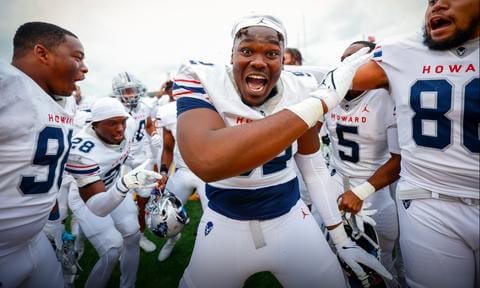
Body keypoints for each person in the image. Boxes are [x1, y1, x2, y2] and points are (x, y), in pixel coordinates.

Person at [175, 14, 390, 287]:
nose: (258, 61)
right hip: (224, 226)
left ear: (281, 60)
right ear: (231, 55)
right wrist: (320, 102)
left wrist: (340, 238)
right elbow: (207, 160)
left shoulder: (300, 86)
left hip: (291, 222)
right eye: (246, 50)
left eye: (272, 53)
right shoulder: (203, 78)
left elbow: (312, 167)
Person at [351, 1, 479, 287]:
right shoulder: (400, 53)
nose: (437, 5)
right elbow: (333, 82)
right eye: (430, 1)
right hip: (427, 199)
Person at [0, 22, 87, 287]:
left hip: (35, 241)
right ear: (42, 53)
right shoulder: (6, 85)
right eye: (77, 57)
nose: (84, 69)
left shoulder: (63, 101)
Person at [65, 97, 165, 287]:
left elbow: (127, 158)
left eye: (122, 121)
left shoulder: (130, 126)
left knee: (133, 235)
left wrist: (150, 172)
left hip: (115, 185)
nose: (120, 128)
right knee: (112, 249)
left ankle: (128, 284)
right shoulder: (80, 151)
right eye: (112, 123)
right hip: (87, 198)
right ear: (95, 124)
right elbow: (99, 207)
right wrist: (125, 183)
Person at [325, 40, 401, 280]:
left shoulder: (387, 97)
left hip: (374, 189)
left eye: (357, 62)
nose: (348, 67)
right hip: (335, 181)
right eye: (344, 61)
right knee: (334, 257)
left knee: (382, 263)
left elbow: (401, 160)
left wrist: (362, 191)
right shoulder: (329, 92)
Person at [154, 86, 208, 262]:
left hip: (209, 171)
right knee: (164, 214)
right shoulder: (168, 111)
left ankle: (209, 253)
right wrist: (163, 172)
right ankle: (172, 239)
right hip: (184, 170)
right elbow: (168, 148)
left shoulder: (214, 106)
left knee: (214, 218)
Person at [112, 71, 159, 253]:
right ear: (119, 93)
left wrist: (154, 133)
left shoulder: (145, 105)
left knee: (143, 200)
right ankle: (121, 236)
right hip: (121, 159)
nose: (131, 95)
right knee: (121, 203)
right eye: (127, 91)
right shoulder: (115, 108)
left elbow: (148, 123)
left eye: (133, 90)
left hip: (140, 158)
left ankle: (140, 234)